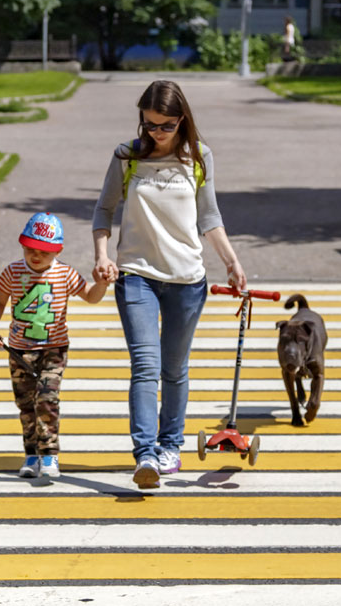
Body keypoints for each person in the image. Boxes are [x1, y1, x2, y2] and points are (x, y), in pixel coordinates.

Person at [92, 80, 247, 489]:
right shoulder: (126, 156)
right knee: (146, 367)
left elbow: (209, 217)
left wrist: (231, 262)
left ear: (182, 120)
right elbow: (103, 211)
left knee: (174, 369)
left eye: (165, 126)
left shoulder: (199, 157)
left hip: (186, 279)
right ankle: (145, 455)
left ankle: (170, 446)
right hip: (136, 275)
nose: (155, 133)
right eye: (149, 125)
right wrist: (102, 256)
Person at [0, 212, 108, 478]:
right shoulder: (13, 271)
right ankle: (31, 455)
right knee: (26, 404)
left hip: (54, 349)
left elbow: (90, 296)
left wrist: (102, 284)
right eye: (30, 250)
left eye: (44, 251)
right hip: (19, 351)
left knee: (47, 398)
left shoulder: (64, 273)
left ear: (58, 251)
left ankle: (50, 455)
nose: (36, 256)